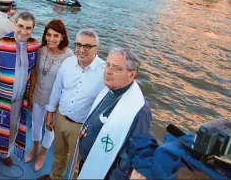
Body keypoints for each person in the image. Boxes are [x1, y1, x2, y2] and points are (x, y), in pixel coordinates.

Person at [38, 29, 106, 180]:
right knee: (58, 153)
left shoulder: (104, 71)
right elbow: (57, 89)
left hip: (82, 127)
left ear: (97, 48)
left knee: (77, 162)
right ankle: (56, 177)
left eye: (87, 46)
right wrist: (50, 113)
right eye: (78, 44)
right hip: (61, 118)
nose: (81, 49)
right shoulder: (67, 63)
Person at [75, 47, 152, 180]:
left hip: (104, 172)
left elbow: (130, 157)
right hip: (88, 161)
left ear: (131, 74)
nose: (108, 72)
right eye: (108, 65)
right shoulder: (110, 89)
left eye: (116, 68)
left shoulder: (140, 110)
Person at [0, 12, 38, 167]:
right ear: (15, 24)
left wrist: (31, 95)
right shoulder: (0, 44)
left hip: (19, 100)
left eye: (28, 28)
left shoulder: (34, 46)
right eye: (20, 26)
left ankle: (5, 152)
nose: (23, 31)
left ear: (33, 29)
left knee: (12, 128)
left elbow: (33, 72)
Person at [26, 20, 75, 172]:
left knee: (49, 128)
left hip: (55, 102)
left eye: (56, 35)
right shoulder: (41, 50)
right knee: (36, 124)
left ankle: (43, 153)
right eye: (48, 35)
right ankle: (34, 147)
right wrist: (30, 93)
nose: (51, 39)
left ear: (62, 37)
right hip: (38, 95)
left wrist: (57, 107)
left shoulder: (69, 57)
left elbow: (70, 85)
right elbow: (34, 73)